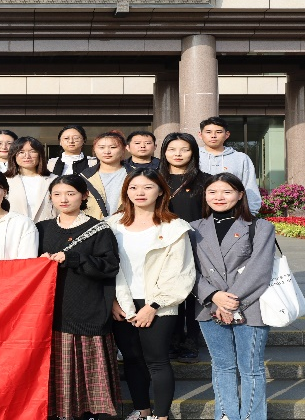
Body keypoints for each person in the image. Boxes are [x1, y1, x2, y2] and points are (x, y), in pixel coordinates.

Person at [108, 168, 195, 420]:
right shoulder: (111, 224)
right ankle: (142, 410)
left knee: (157, 360)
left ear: (160, 192)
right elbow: (107, 266)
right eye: (134, 187)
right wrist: (112, 301)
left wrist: (153, 306)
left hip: (160, 303)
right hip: (122, 302)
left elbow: (180, 272)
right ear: (126, 192)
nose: (140, 193)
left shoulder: (174, 227)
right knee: (132, 359)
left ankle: (161, 415)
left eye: (148, 187)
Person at [190, 173, 274, 420]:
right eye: (212, 192)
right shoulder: (193, 229)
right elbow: (187, 270)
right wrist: (214, 296)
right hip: (209, 306)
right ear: (205, 196)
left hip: (250, 306)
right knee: (222, 366)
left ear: (239, 195)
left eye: (226, 192)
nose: (219, 197)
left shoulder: (260, 226)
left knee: (251, 368)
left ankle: (252, 416)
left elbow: (260, 269)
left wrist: (230, 303)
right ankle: (226, 414)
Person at [36, 174, 121, 420]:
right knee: (57, 373)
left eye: (70, 193)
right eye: (57, 194)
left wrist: (74, 259)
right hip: (52, 311)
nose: (63, 199)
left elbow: (110, 266)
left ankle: (90, 414)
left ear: (84, 196)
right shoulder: (42, 228)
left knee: (89, 374)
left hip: (88, 308)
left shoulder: (98, 229)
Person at [158, 132, 211, 363]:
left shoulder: (205, 180)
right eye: (172, 149)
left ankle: (191, 340)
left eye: (184, 149)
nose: (178, 154)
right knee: (169, 290)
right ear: (164, 152)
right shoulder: (154, 178)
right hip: (161, 243)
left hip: (196, 241)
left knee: (193, 292)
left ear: (193, 153)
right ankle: (172, 338)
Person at [198, 117, 262, 215]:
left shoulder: (241, 158)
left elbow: (249, 186)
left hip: (233, 214)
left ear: (227, 134)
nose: (213, 136)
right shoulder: (192, 157)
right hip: (197, 212)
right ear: (200, 135)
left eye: (218, 132)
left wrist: (251, 214)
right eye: (208, 132)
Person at [81, 131, 132, 220]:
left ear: (123, 149)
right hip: (94, 225)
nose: (107, 152)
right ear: (94, 149)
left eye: (113, 147)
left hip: (127, 223)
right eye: (101, 147)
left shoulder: (135, 174)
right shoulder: (85, 176)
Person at [5, 136, 57, 223]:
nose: (27, 156)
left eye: (32, 151)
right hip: (15, 228)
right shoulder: (5, 180)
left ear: (40, 154)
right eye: (21, 152)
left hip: (46, 228)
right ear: (13, 155)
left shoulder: (54, 180)